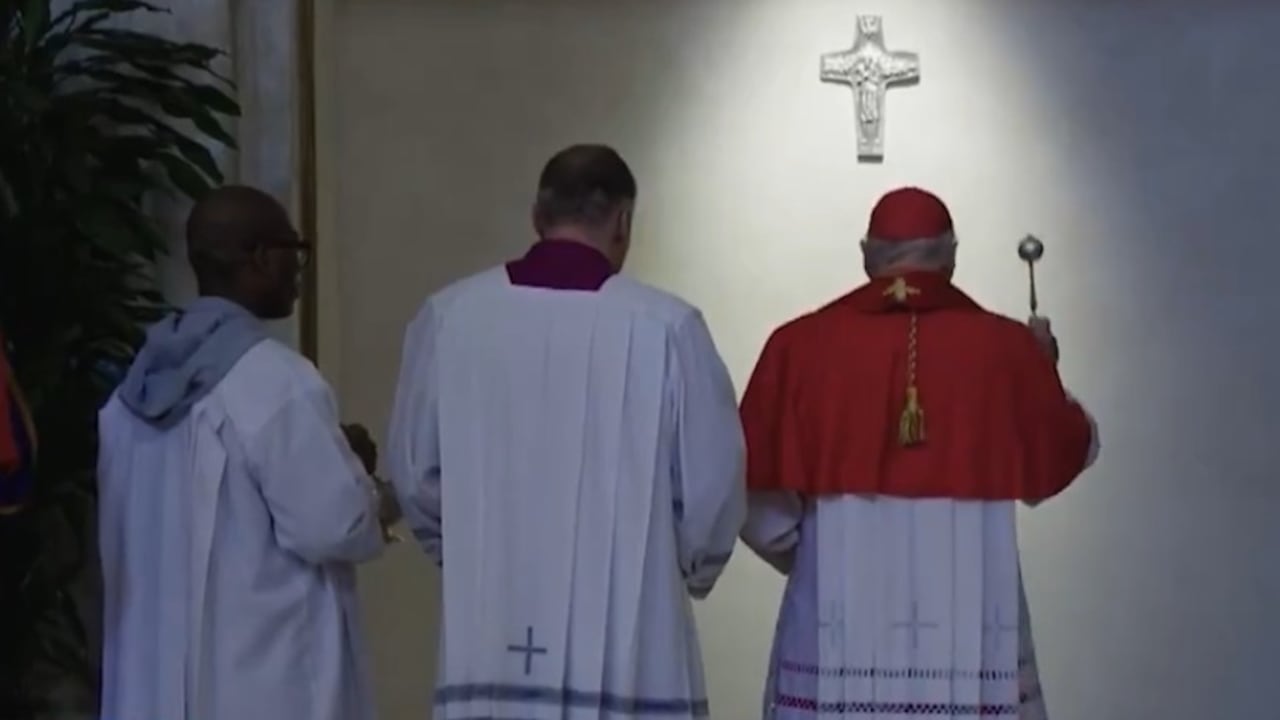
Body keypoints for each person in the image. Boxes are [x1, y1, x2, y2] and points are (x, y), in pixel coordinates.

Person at [387, 144, 746, 720]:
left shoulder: (450, 317)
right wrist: (680, 567)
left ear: (537, 216)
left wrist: (471, 550)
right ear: (624, 223)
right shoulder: (667, 327)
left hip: (491, 621)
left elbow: (414, 474)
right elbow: (713, 485)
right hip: (632, 636)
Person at [738, 187, 1100, 719]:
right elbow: (1065, 451)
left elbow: (753, 495)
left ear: (867, 256)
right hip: (973, 625)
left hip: (837, 613)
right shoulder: (1006, 348)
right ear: (951, 256)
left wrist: (807, 556)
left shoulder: (798, 345)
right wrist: (1044, 370)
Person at [97, 185, 397, 720]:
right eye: (293, 252)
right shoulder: (274, 380)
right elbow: (334, 525)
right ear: (260, 257)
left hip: (154, 681)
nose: (298, 270)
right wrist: (369, 484)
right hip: (263, 680)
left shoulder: (130, 391)